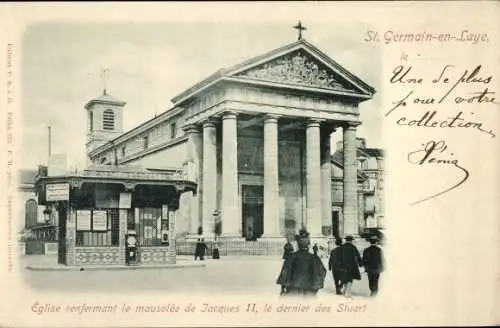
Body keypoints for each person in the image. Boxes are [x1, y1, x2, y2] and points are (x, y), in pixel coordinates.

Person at [276, 229, 326, 297]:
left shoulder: (292, 257)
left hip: (293, 290)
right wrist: (316, 288)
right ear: (308, 245)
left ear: (298, 245)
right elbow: (322, 272)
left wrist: (283, 289)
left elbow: (285, 272)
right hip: (310, 290)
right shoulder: (314, 258)